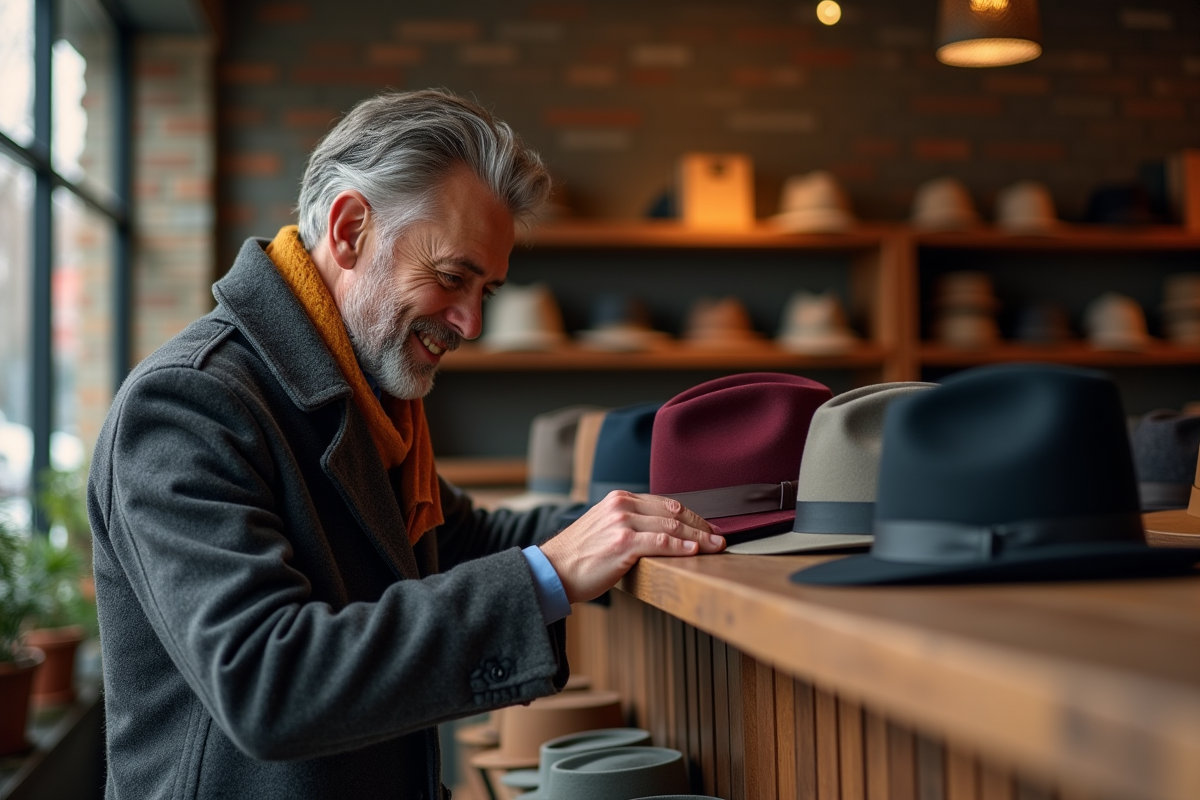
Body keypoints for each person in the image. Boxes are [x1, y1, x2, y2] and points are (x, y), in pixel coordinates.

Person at [87, 89, 724, 800]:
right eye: (452, 277)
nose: (471, 323)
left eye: (486, 290)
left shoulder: (360, 396)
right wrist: (548, 574)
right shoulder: (187, 404)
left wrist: (631, 524)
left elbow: (461, 538)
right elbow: (268, 680)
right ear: (351, 227)